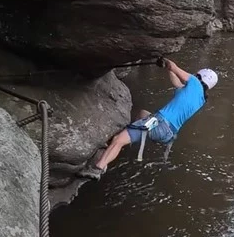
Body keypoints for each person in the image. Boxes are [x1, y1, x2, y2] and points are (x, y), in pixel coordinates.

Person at [76, 57, 218, 180]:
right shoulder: (200, 99)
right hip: (168, 134)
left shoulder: (193, 82)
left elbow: (175, 68)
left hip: (158, 122)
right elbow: (176, 82)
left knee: (117, 140)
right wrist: (167, 69)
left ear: (199, 76)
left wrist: (167, 61)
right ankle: (129, 138)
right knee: (142, 114)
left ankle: (97, 168)